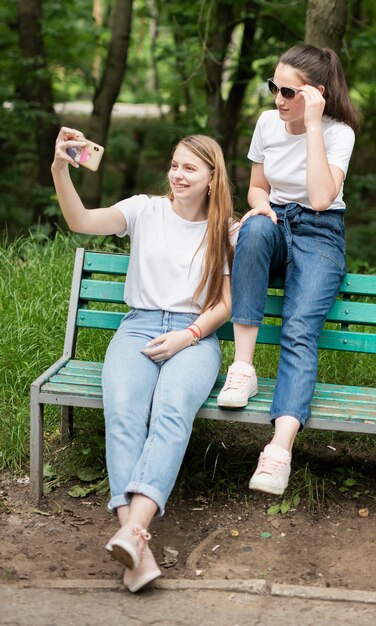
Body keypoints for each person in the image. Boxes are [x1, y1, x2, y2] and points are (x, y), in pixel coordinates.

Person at [51, 129, 237, 592]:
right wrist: (59, 167)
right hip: (136, 328)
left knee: (171, 413)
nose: (177, 174)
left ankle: (132, 532)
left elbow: (225, 304)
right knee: (125, 415)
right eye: (174, 165)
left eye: (190, 168)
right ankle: (137, 541)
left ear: (213, 177)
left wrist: (186, 337)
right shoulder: (143, 210)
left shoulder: (226, 228)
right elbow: (80, 220)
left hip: (194, 337)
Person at [217, 44, 359, 496]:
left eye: (287, 91)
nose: (277, 98)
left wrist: (313, 125)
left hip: (320, 232)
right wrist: (260, 209)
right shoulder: (265, 123)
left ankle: (279, 449)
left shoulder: (339, 134)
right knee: (255, 230)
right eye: (273, 86)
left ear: (315, 94)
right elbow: (259, 188)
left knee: (299, 329)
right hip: (277, 223)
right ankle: (243, 367)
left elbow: (320, 198)